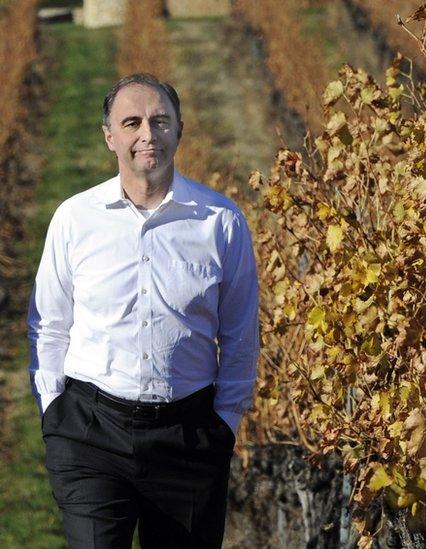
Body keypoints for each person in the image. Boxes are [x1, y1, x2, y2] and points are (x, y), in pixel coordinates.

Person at [26, 73, 259, 548]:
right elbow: (49, 325)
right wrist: (54, 413)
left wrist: (225, 424)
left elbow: (240, 332)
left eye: (160, 120)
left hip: (189, 436)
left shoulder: (221, 222)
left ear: (179, 129)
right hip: (90, 432)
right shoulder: (75, 219)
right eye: (132, 123)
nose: (147, 135)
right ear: (110, 137)